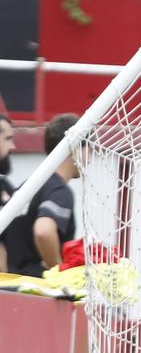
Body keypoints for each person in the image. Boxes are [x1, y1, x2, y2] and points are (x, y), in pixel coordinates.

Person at [2, 114, 79, 276]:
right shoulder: (59, 191)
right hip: (39, 290)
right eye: (89, 149)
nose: (91, 157)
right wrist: (58, 273)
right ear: (76, 148)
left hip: (11, 291)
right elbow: (43, 231)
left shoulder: (24, 188)